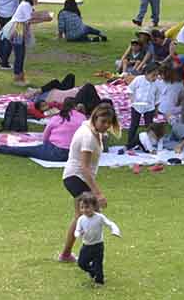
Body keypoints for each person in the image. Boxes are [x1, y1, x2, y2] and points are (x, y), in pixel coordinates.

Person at [59, 103, 120, 263]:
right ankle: (88, 255)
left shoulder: (93, 130)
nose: (106, 126)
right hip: (76, 177)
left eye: (109, 122)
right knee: (91, 214)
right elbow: (84, 168)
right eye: (103, 122)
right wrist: (98, 194)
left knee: (81, 216)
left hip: (75, 177)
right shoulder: (88, 136)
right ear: (95, 118)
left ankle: (67, 254)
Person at [0, 97, 85, 161]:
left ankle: (1, 148)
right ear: (76, 106)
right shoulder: (82, 118)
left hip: (58, 152)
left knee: (28, 150)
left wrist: (46, 145)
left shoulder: (57, 118)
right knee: (32, 149)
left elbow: (46, 135)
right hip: (77, 154)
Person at [0, 0, 53, 85]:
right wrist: (45, 18)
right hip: (17, 29)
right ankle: (17, 78)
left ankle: (20, 77)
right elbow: (30, 19)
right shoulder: (25, 5)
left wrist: (44, 16)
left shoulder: (27, 5)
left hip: (20, 29)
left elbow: (31, 17)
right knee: (19, 54)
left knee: (21, 54)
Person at [73, 192, 120, 286]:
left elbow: (110, 224)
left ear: (94, 207)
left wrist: (115, 231)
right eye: (82, 207)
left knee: (98, 264)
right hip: (86, 246)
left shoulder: (99, 217)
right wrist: (78, 234)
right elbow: (76, 230)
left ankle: (99, 281)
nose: (84, 210)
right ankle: (92, 272)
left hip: (98, 245)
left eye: (87, 207)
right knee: (81, 263)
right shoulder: (81, 219)